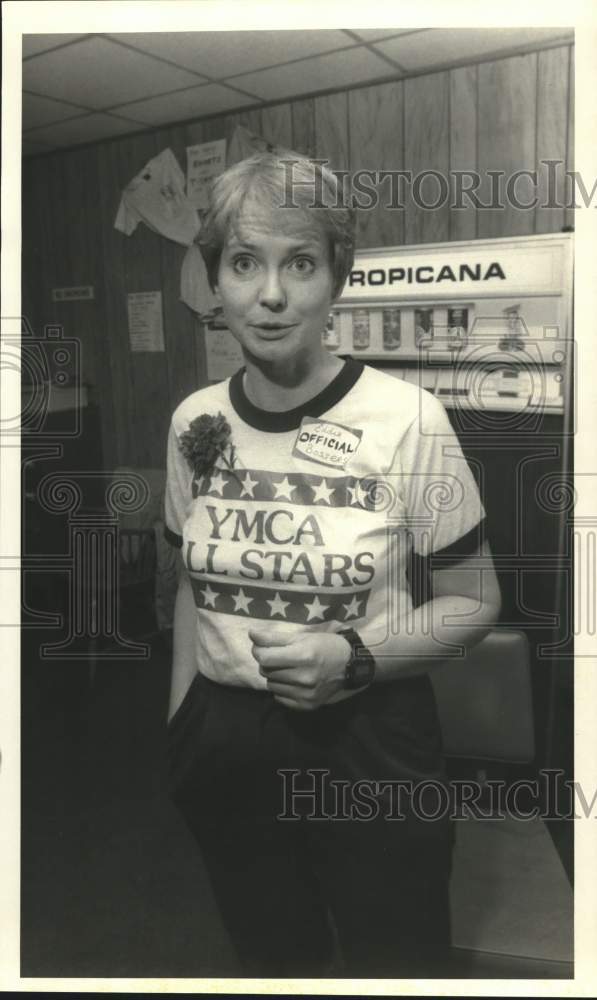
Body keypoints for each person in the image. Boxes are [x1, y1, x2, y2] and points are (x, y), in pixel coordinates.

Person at [163, 151, 501, 978]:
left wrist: (355, 659)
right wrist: (183, 726)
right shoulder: (191, 421)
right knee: (273, 954)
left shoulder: (406, 418)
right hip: (226, 746)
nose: (270, 294)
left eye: (299, 263)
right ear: (216, 281)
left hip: (368, 742)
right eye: (244, 263)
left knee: (398, 957)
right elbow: (186, 587)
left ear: (335, 280)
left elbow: (473, 600)